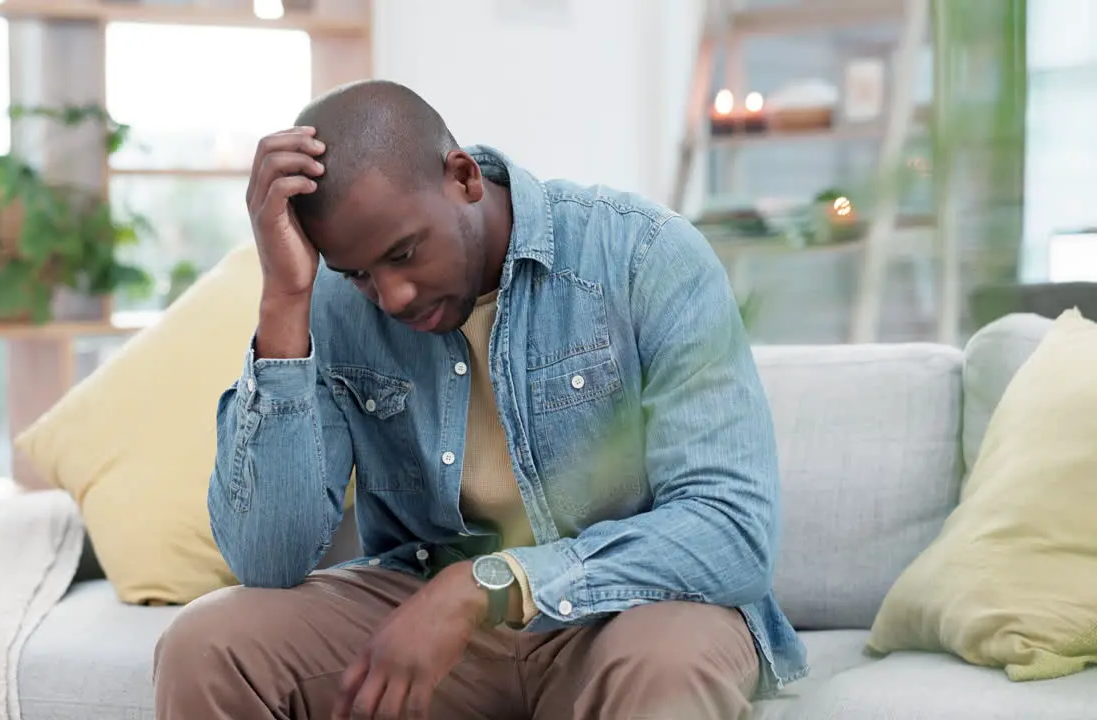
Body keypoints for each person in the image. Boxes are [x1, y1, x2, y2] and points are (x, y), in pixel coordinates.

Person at [153, 79, 808, 720]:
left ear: (464, 177)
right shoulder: (330, 303)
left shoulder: (642, 256)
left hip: (626, 610)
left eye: (404, 253)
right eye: (359, 275)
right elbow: (267, 561)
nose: (394, 296)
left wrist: (488, 585)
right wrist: (285, 300)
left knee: (665, 668)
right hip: (423, 612)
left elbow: (732, 530)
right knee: (208, 644)